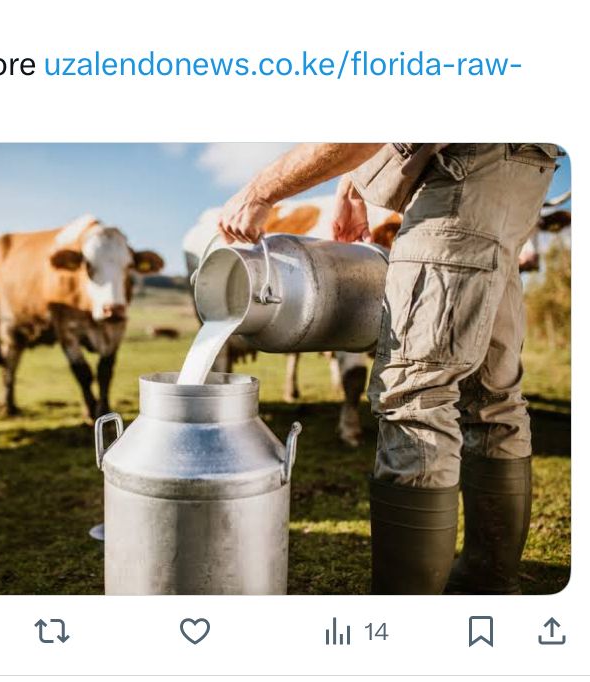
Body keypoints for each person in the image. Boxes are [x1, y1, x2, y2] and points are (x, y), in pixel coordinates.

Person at [218, 143, 560, 594]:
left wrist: (260, 191)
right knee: (491, 394)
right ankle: (487, 587)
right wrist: (353, 183)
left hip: (460, 176)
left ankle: (404, 620)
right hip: (517, 170)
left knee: (416, 396)